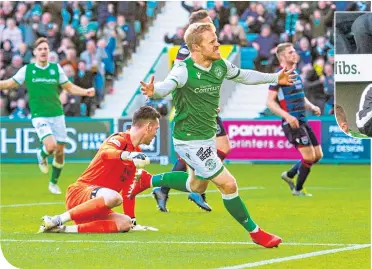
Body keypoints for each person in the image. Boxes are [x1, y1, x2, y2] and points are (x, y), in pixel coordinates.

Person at [129, 23, 296, 248]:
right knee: (228, 184)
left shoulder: (219, 65)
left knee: (197, 186)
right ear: (196, 47)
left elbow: (244, 75)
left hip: (206, 135)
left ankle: (149, 180)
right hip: (189, 139)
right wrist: (154, 91)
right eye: (212, 41)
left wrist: (275, 78)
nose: (217, 43)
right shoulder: (183, 69)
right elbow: (167, 85)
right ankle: (255, 232)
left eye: (216, 38)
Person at [152, 10, 232, 213]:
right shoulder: (187, 51)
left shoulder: (207, 47)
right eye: (209, 23)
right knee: (217, 148)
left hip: (206, 106)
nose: (213, 26)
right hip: (195, 109)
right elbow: (180, 80)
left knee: (220, 148)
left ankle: (173, 188)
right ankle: (176, 188)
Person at [38, 106, 160, 233]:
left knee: (125, 223)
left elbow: (128, 190)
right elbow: (105, 153)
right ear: (148, 127)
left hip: (98, 206)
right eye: (156, 129)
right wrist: (128, 155)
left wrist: (133, 222)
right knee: (115, 198)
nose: (155, 133)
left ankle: (61, 229)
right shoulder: (120, 139)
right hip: (80, 193)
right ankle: (57, 219)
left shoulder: (137, 152)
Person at [0, 37, 95, 195]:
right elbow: (9, 83)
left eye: (46, 49)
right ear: (35, 53)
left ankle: (53, 183)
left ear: (48, 52)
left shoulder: (56, 69)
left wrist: (85, 92)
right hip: (39, 115)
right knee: (51, 146)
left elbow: (69, 87)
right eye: (40, 49)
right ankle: (42, 153)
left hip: (57, 114)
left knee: (60, 152)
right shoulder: (28, 70)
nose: (43, 51)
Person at [266, 43, 323, 197]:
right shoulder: (279, 76)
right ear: (283, 57)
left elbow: (300, 96)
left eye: (294, 51)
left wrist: (311, 106)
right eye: (291, 52)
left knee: (317, 155)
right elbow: (269, 102)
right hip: (292, 122)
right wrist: (287, 116)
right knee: (309, 157)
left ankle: (290, 174)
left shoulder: (295, 74)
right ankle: (297, 189)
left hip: (302, 119)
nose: (295, 54)